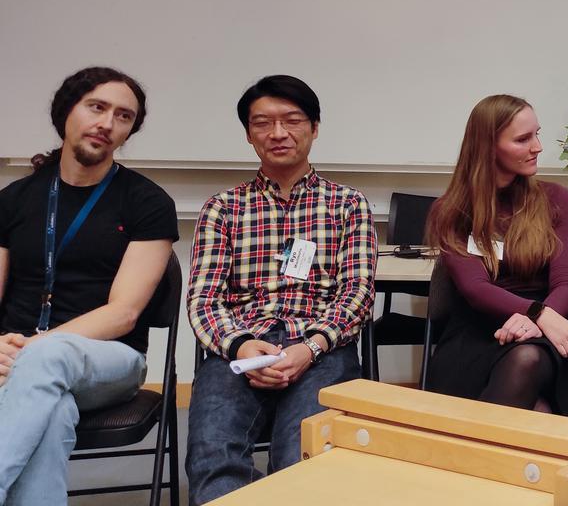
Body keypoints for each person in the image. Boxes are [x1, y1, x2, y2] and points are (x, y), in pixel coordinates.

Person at [186, 75, 375, 505]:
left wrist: (310, 347)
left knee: (302, 458)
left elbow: (357, 294)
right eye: (263, 123)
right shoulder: (223, 207)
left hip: (320, 348)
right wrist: (240, 346)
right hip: (240, 346)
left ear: (314, 127)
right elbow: (203, 300)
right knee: (214, 452)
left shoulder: (348, 204)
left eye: (292, 120)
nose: (278, 133)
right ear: (248, 134)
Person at [0, 67, 178, 505]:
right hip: (18, 358)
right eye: (96, 107)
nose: (107, 123)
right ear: (66, 112)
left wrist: (33, 348)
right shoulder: (14, 199)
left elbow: (124, 313)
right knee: (54, 410)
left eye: (123, 116)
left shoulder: (147, 202)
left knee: (50, 357)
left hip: (110, 359)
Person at [424, 95, 568, 416]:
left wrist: (540, 320)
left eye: (537, 134)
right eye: (523, 139)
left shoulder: (556, 200)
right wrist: (538, 314)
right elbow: (475, 288)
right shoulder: (453, 209)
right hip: (476, 332)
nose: (538, 146)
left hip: (543, 333)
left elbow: (567, 282)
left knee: (527, 358)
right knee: (538, 411)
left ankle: (468, 453)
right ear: (488, 146)